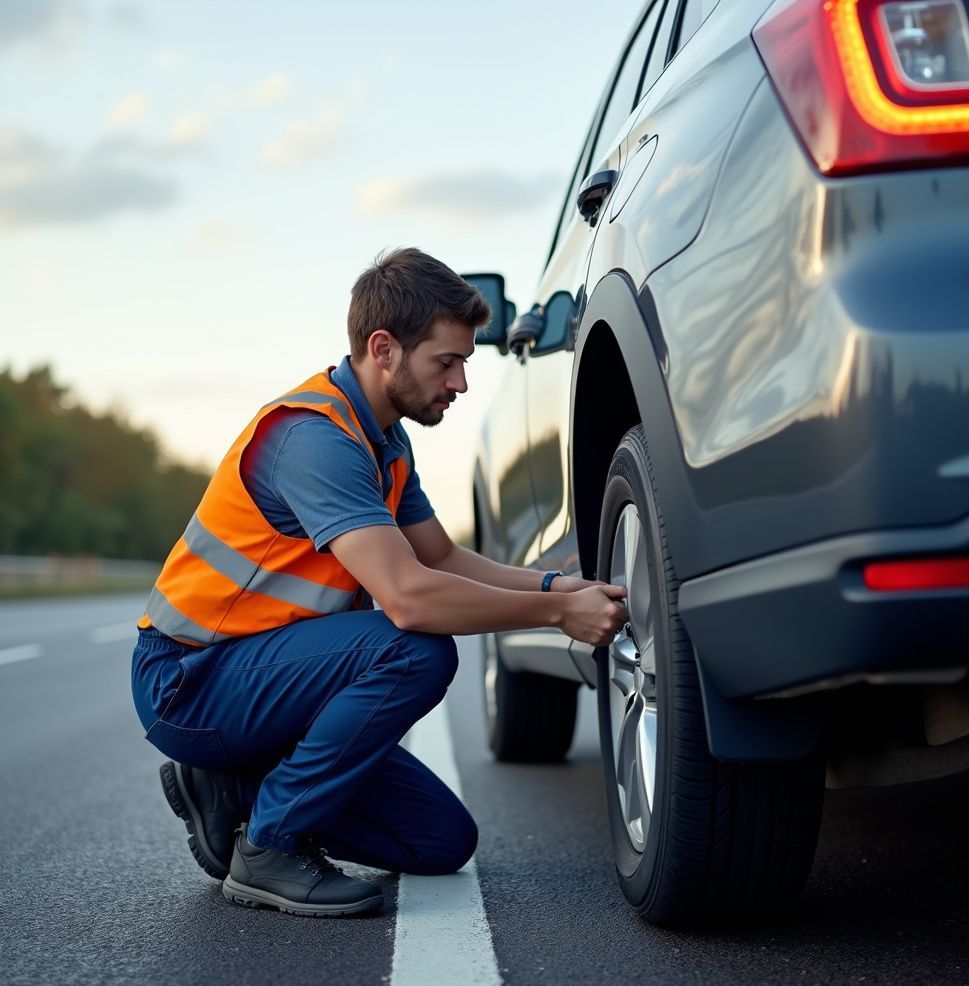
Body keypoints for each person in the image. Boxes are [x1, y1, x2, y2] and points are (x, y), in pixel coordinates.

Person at [131, 247, 628, 918]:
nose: (459, 384)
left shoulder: (386, 439)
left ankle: (234, 785)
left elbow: (441, 559)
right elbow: (412, 597)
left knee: (439, 841)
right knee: (416, 647)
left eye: (464, 364)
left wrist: (556, 587)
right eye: (446, 363)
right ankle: (269, 847)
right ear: (384, 348)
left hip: (267, 682)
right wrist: (554, 619)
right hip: (192, 681)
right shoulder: (315, 439)